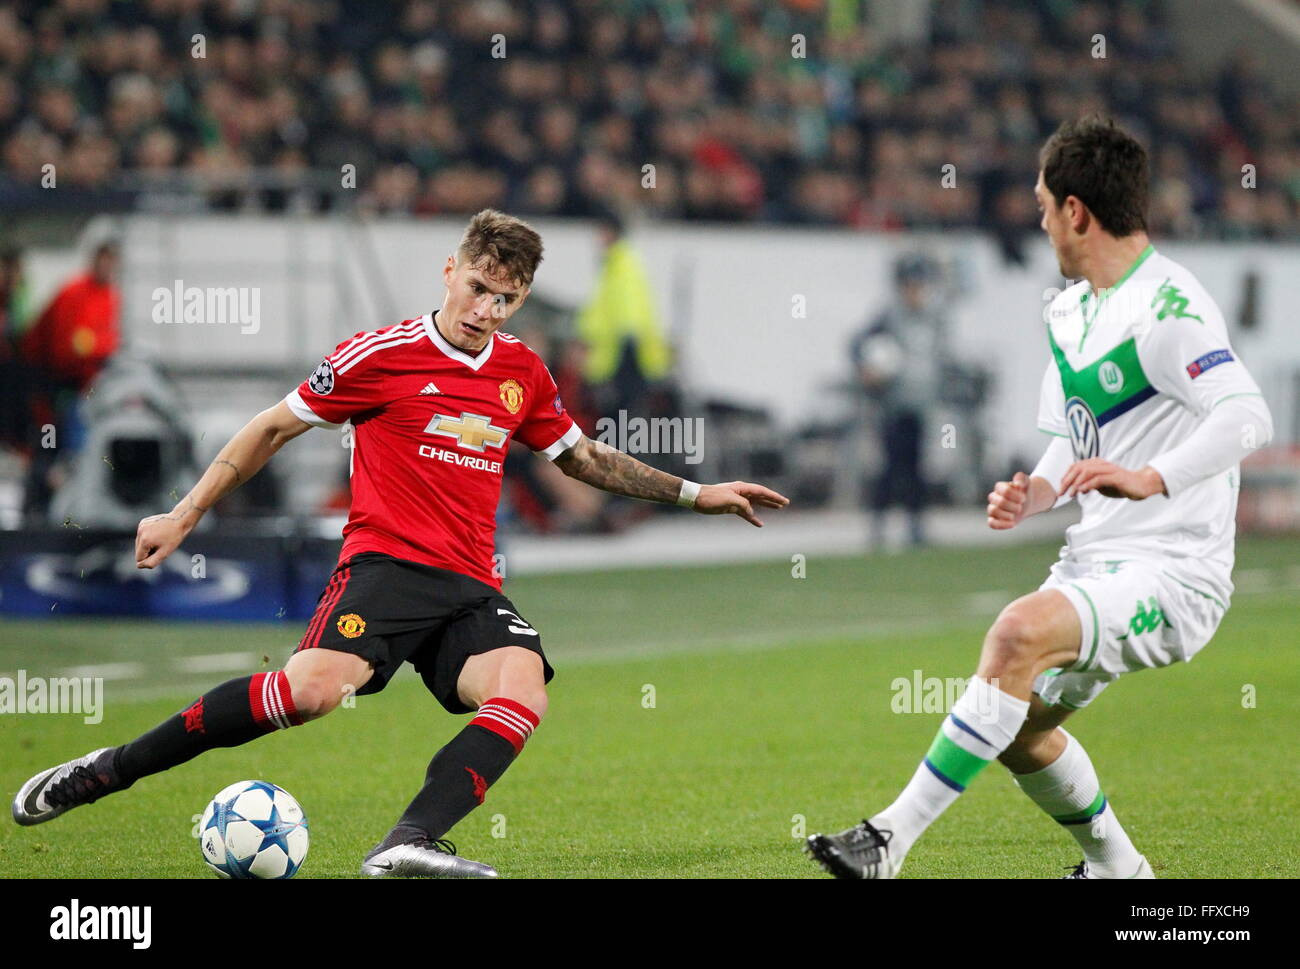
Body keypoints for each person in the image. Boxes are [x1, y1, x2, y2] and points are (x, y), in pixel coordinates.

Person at [11, 210, 789, 878]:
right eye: (478, 287)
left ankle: (409, 840)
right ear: (450, 271)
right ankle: (104, 769)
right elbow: (273, 426)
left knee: (523, 689)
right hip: (384, 568)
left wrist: (697, 493)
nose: (487, 308)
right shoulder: (378, 355)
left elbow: (581, 458)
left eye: (506, 298)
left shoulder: (523, 373)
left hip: (469, 584)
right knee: (307, 694)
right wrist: (184, 514)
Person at [806, 117, 1273, 879]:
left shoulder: (1170, 310)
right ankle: (1120, 871)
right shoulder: (1069, 310)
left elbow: (1247, 414)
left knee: (1015, 632)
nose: (1041, 219)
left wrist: (1153, 477)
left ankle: (886, 840)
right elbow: (1078, 437)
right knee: (1019, 728)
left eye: (1044, 204)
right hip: (1097, 559)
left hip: (1175, 571)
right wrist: (1039, 489)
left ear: (1077, 210)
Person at [848, 253, 949, 547]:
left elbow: (938, 360)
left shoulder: (934, 319)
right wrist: (867, 369)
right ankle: (878, 527)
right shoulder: (889, 317)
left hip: (921, 404)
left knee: (917, 468)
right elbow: (858, 344)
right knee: (891, 467)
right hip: (892, 405)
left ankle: (916, 527)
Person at [19, 240, 122, 521]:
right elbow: (66, 348)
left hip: (80, 386)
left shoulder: (110, 296)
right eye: (104, 259)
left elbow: (102, 342)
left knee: (72, 447)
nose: (108, 266)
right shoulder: (73, 292)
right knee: (48, 448)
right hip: (52, 384)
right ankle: (36, 513)